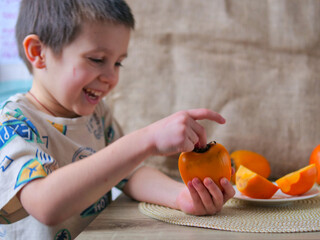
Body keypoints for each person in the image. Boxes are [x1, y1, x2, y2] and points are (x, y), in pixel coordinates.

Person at [0, 0, 235, 239]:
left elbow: (130, 172)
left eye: (118, 62)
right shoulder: (13, 123)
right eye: (97, 59)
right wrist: (147, 139)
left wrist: (182, 196)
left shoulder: (97, 114)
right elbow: (45, 204)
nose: (112, 77)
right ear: (38, 52)